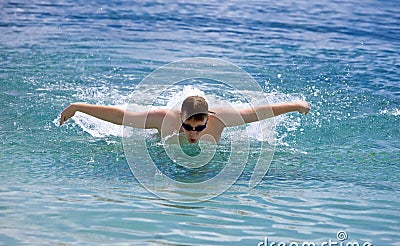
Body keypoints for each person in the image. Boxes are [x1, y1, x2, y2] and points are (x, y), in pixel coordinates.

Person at [60, 96, 310, 144]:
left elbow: (259, 112)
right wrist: (77, 108)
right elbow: (122, 117)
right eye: (188, 127)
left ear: (207, 120)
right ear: (179, 119)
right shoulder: (163, 119)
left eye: (198, 128)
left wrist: (296, 105)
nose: (193, 133)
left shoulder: (221, 119)